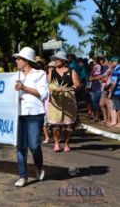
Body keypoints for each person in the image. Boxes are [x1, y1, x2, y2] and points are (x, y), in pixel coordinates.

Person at [13, 47, 48, 187]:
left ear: (26, 61)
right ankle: (23, 176)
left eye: (19, 59)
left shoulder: (40, 74)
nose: (16, 61)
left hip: (35, 113)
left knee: (34, 145)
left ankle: (39, 167)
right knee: (20, 146)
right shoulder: (15, 75)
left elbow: (42, 94)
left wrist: (24, 88)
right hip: (19, 113)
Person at [48, 51, 81, 152]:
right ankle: (57, 143)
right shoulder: (52, 72)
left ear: (63, 60)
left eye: (58, 59)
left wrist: (72, 88)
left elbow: (77, 84)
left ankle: (66, 143)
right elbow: (47, 84)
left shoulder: (71, 71)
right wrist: (53, 89)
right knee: (55, 123)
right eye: (55, 59)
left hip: (68, 99)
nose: (56, 61)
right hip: (55, 100)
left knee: (68, 124)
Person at [42, 61, 56, 144]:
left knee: (56, 123)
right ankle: (47, 137)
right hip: (46, 101)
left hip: (55, 102)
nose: (51, 68)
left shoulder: (59, 77)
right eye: (50, 67)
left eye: (53, 67)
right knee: (44, 122)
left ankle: (56, 138)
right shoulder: (44, 76)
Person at [108, 56, 120, 127]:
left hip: (117, 92)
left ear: (115, 61)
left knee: (118, 108)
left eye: (112, 62)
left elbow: (114, 83)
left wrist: (111, 92)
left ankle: (119, 122)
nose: (111, 63)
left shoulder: (116, 70)